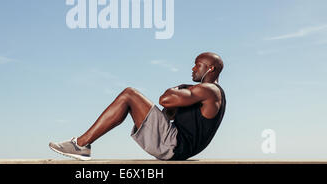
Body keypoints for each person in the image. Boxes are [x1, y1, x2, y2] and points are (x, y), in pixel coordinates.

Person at [49, 52, 226, 161]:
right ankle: (81, 145)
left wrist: (178, 87)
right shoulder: (206, 95)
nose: (193, 68)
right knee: (131, 97)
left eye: (198, 64)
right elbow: (169, 112)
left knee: (129, 94)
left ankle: (80, 144)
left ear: (210, 69)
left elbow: (165, 100)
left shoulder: (209, 90)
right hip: (179, 147)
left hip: (175, 145)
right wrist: (178, 99)